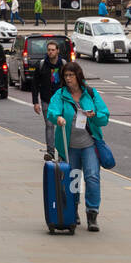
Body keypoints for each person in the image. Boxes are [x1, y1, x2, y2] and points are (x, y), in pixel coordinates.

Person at [48, 60, 110, 232]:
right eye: (66, 76)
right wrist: (57, 118)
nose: (68, 79)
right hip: (70, 146)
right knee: (73, 181)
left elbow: (105, 116)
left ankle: (92, 214)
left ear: (78, 76)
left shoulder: (90, 93)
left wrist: (94, 115)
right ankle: (72, 212)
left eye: (71, 75)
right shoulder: (60, 94)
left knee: (92, 177)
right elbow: (52, 111)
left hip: (89, 144)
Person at [31, 39, 66, 161]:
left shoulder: (64, 64)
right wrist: (35, 102)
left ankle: (62, 153)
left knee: (62, 126)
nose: (50, 52)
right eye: (49, 50)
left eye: (53, 50)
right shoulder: (41, 65)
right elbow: (35, 84)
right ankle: (50, 152)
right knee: (49, 125)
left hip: (62, 101)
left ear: (57, 51)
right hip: (47, 100)